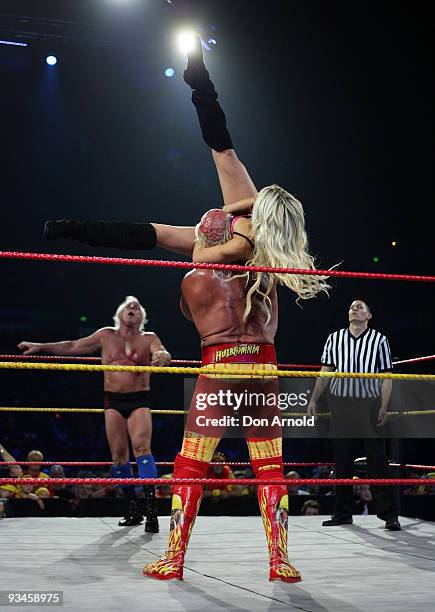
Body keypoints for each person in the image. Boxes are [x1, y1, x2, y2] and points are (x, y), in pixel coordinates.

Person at [43, 37, 330, 323]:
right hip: (231, 223)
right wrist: (224, 213)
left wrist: (210, 228)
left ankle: (73, 229)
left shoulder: (248, 244)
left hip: (219, 242)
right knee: (224, 154)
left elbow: (201, 256)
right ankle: (199, 80)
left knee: (154, 234)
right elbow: (259, 200)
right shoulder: (257, 210)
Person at [142, 208, 302, 583]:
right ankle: (280, 561)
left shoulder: (192, 280)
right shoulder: (263, 269)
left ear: (203, 239)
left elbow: (188, 314)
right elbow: (264, 215)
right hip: (263, 367)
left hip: (219, 367)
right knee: (269, 466)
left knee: (192, 464)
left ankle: (173, 559)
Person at [17, 295, 171, 532]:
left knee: (142, 449)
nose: (132, 307)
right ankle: (133, 508)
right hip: (113, 401)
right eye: (128, 305)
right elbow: (73, 346)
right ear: (118, 314)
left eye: (137, 307)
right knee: (119, 458)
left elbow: (161, 351)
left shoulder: (148, 337)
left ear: (142, 317)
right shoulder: (105, 335)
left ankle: (151, 510)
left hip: (139, 400)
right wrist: (41, 346)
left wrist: (163, 356)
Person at [307, 299, 401, 531]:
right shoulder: (334, 339)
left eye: (360, 307)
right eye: (351, 306)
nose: (354, 308)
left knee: (377, 458)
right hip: (342, 405)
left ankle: (389, 514)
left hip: (369, 404)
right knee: (342, 459)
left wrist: (383, 406)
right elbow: (325, 372)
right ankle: (342, 513)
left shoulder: (379, 340)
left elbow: (386, 376)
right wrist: (313, 400)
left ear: (368, 316)